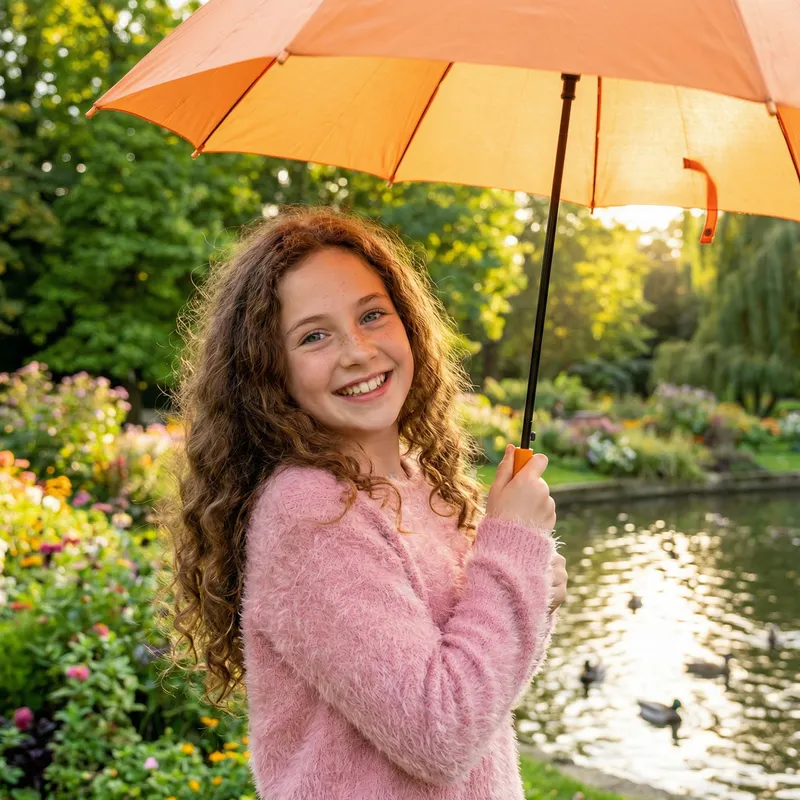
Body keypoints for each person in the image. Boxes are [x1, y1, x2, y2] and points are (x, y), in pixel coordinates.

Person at [160, 206, 567, 800]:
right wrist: (510, 551)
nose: (356, 350)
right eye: (314, 336)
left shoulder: (420, 481)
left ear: (408, 326)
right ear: (269, 372)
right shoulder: (312, 512)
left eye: (373, 315)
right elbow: (441, 732)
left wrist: (527, 587)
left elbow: (477, 694)